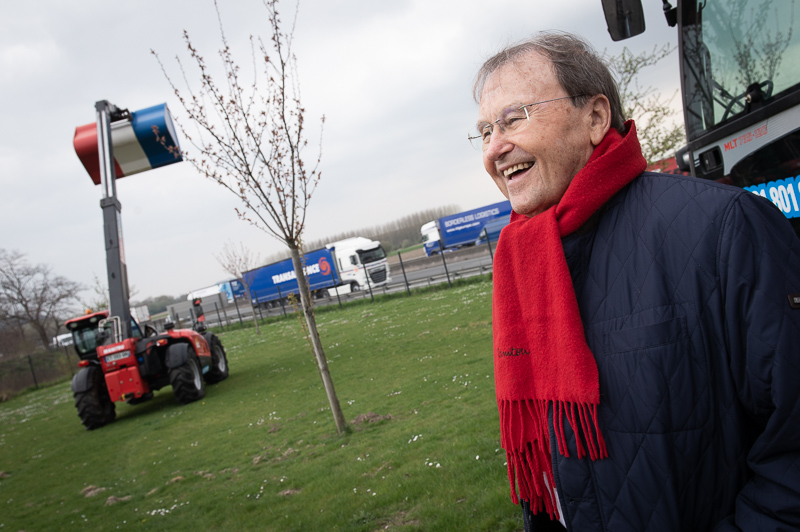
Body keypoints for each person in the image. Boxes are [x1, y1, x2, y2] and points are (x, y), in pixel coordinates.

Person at [472, 31, 800, 531]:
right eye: (485, 130)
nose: (496, 147)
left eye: (514, 117)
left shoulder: (727, 228)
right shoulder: (524, 260)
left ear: (596, 118)